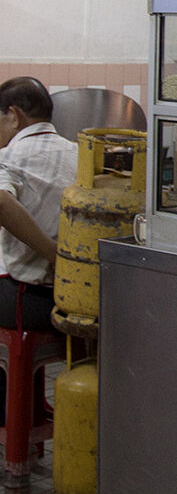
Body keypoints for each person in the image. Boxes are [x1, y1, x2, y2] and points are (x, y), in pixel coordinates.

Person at [0, 77, 78, 332]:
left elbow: (1, 201)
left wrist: (53, 253)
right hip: (75, 297)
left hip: (24, 297)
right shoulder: (80, 154)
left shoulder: (9, 156)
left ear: (13, 115)